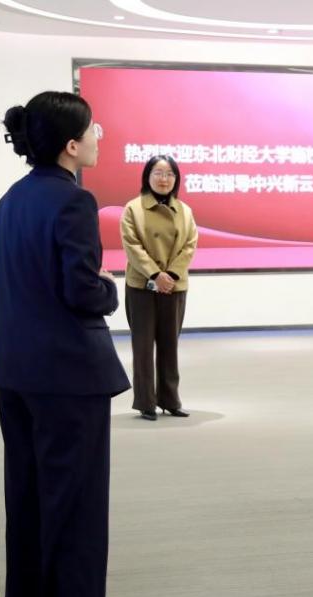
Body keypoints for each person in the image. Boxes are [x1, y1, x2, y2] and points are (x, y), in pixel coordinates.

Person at [0, 91, 127, 597]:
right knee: (73, 503)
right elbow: (81, 290)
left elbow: (4, 283)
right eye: (94, 130)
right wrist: (109, 289)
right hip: (68, 377)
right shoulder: (74, 201)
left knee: (27, 498)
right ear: (72, 145)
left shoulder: (10, 200)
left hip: (16, 372)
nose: (99, 137)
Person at [119, 155, 198, 421]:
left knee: (169, 344)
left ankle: (170, 399)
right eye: (158, 173)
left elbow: (190, 245)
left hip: (174, 285)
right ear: (147, 176)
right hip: (142, 285)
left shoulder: (185, 211)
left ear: (176, 179)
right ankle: (146, 402)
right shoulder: (133, 209)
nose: (164, 179)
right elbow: (132, 246)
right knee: (142, 346)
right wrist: (155, 274)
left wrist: (171, 274)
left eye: (169, 174)